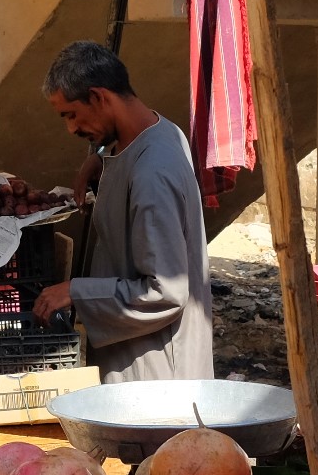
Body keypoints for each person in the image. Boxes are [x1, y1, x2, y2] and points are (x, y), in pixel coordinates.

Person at [35, 41, 214, 383]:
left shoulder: (152, 173)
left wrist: (76, 291)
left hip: (156, 378)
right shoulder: (161, 132)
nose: (71, 129)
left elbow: (167, 292)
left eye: (70, 114)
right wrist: (101, 158)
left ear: (100, 97)